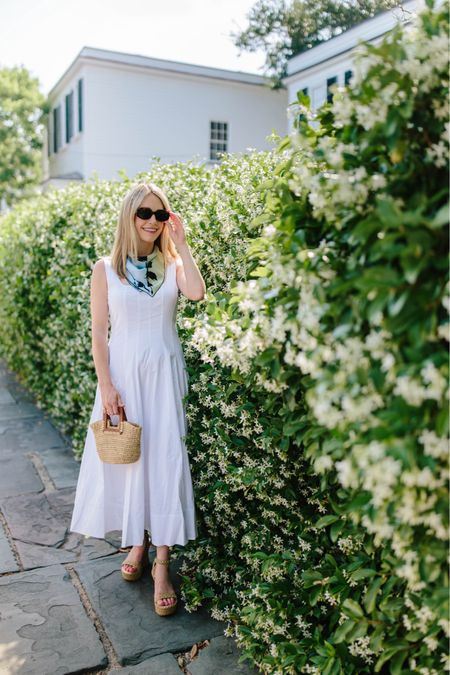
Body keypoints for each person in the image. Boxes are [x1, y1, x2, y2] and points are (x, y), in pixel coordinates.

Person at [69, 182, 206, 616]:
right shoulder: (105, 269)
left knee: (164, 460)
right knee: (131, 462)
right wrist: (106, 384)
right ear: (129, 215)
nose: (152, 221)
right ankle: (137, 544)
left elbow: (197, 293)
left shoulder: (171, 263)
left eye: (160, 215)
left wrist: (183, 246)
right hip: (124, 378)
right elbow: (98, 333)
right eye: (144, 213)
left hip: (164, 374)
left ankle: (162, 564)